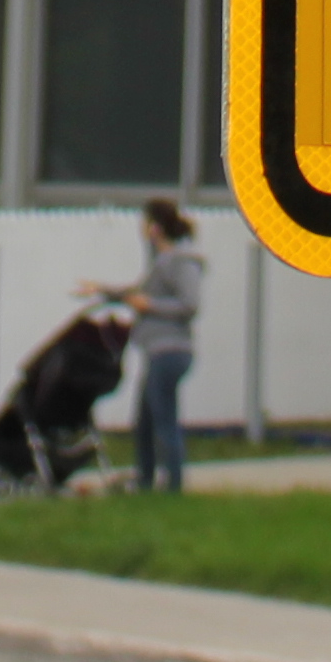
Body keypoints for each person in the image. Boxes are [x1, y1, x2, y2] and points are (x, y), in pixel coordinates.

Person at [92, 198, 207, 493]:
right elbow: (139, 292)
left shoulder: (181, 261)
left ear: (156, 227)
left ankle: (173, 485)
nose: (141, 229)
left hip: (171, 351)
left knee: (163, 418)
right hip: (155, 351)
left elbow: (189, 304)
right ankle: (144, 480)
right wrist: (103, 291)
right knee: (144, 422)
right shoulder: (161, 261)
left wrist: (150, 305)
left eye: (145, 223)